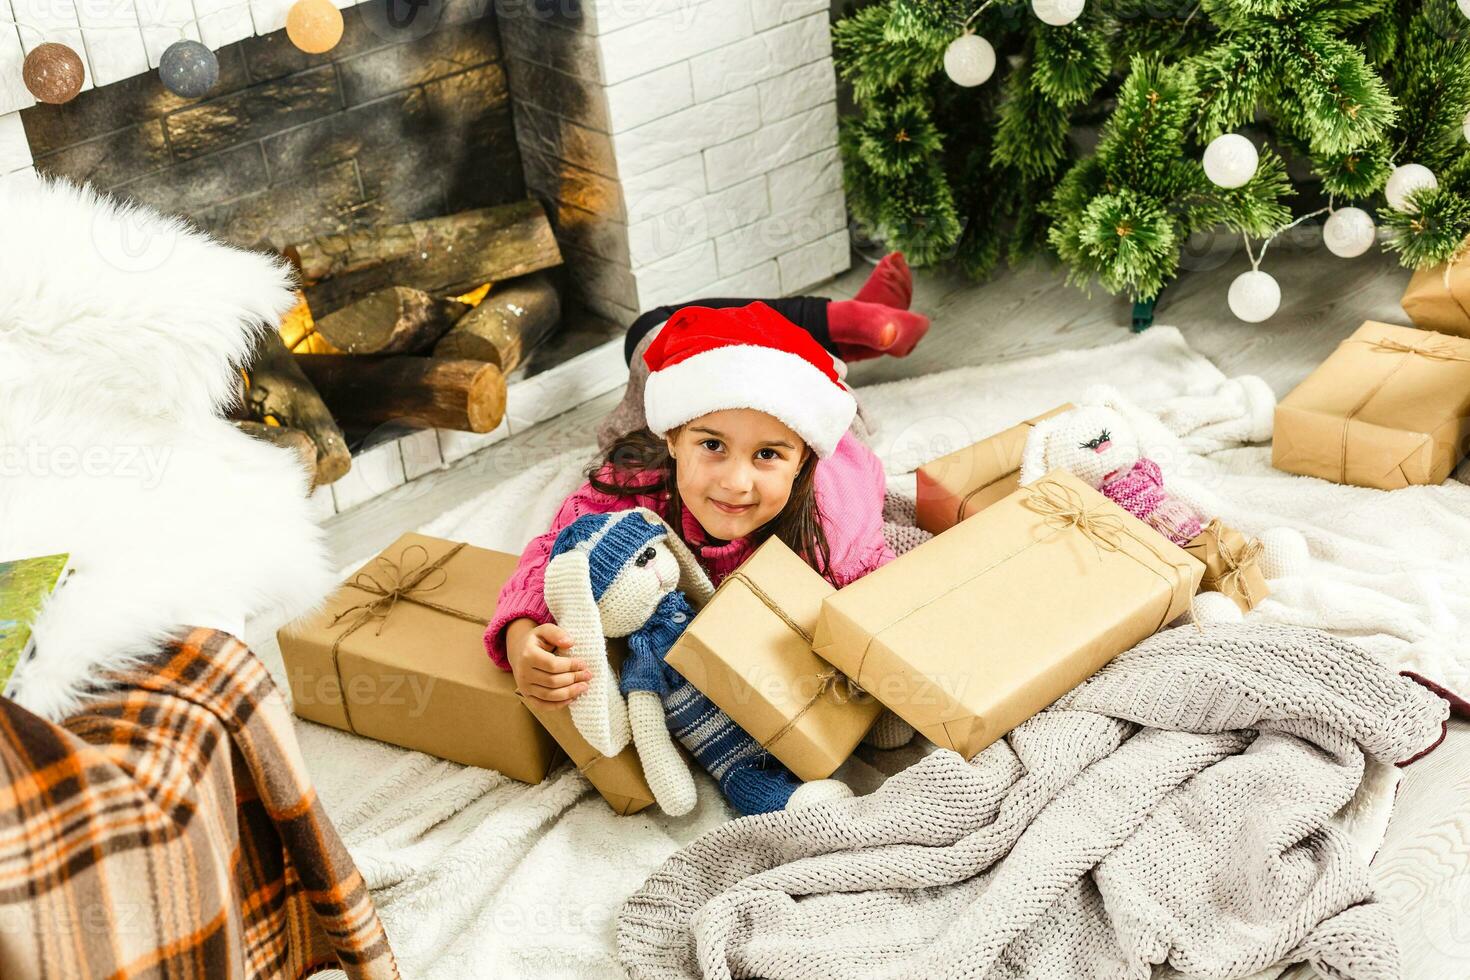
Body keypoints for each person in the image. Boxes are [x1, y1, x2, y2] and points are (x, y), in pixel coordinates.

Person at [485, 253, 930, 711]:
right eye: (713, 447)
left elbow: (880, 613)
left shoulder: (835, 518)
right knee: (651, 330)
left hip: (812, 403)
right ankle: (841, 319)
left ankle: (843, 328)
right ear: (674, 439)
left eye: (767, 455)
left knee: (663, 331)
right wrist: (522, 636)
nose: (736, 484)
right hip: (689, 394)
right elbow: (556, 550)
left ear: (801, 463)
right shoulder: (637, 481)